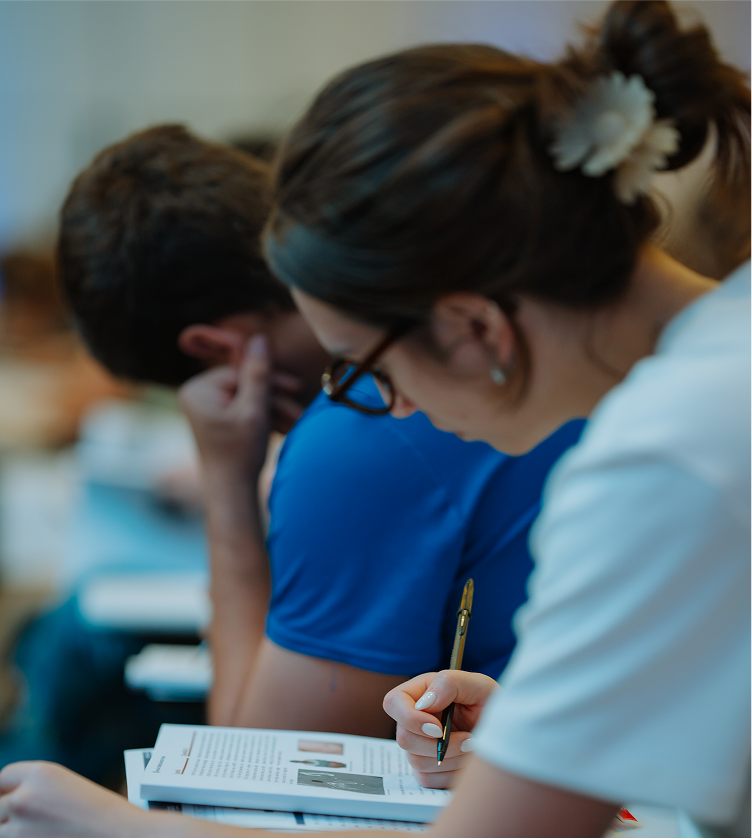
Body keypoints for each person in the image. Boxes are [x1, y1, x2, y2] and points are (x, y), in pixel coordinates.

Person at [3, 0, 749, 834]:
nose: (380, 408)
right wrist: (525, 727)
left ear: (475, 326)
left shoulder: (665, 453)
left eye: (363, 369)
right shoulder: (717, 366)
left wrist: (114, 822)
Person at [59, 126, 581, 737]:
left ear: (217, 350)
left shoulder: (360, 429)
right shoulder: (487, 343)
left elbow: (248, 757)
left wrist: (226, 477)